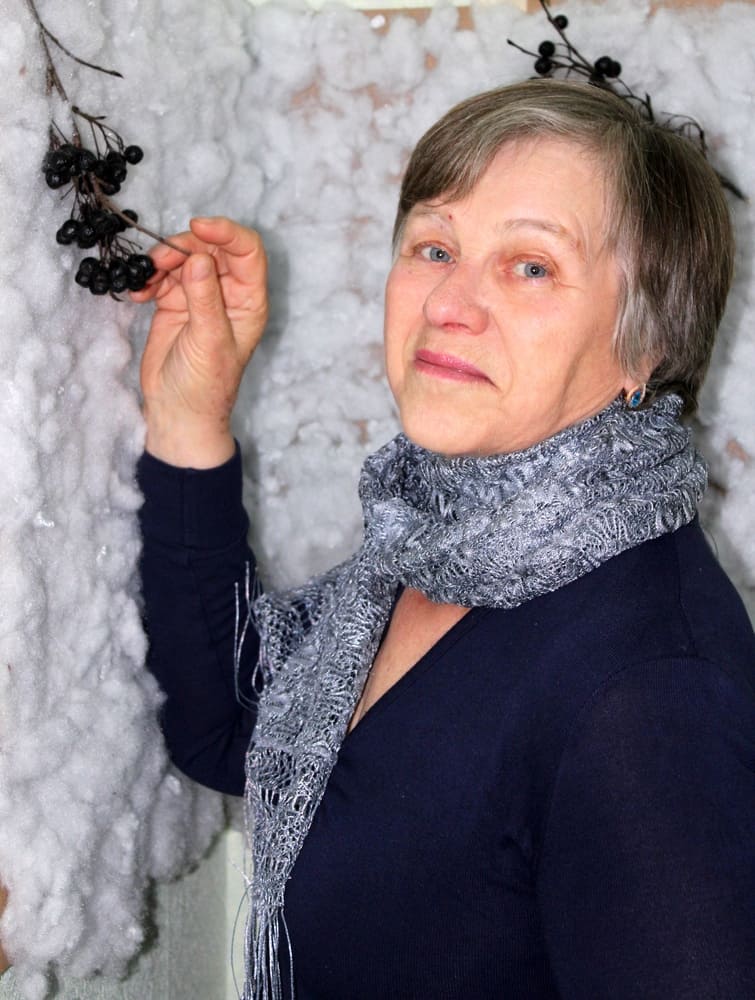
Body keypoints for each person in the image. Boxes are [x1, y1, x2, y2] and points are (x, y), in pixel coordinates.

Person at [133, 80, 755, 999]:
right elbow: (234, 725)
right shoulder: (431, 547)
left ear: (646, 344)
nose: (449, 303)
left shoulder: (650, 692)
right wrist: (189, 417)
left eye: (530, 266)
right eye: (434, 247)